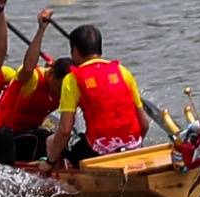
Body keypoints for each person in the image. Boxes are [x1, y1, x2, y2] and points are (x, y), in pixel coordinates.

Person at [45, 23, 149, 166]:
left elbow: (65, 130)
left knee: (52, 141)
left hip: (98, 150)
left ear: (75, 51)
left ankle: (64, 183)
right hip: (133, 145)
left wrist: (50, 161)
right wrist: (131, 148)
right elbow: (144, 125)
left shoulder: (73, 78)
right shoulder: (122, 71)